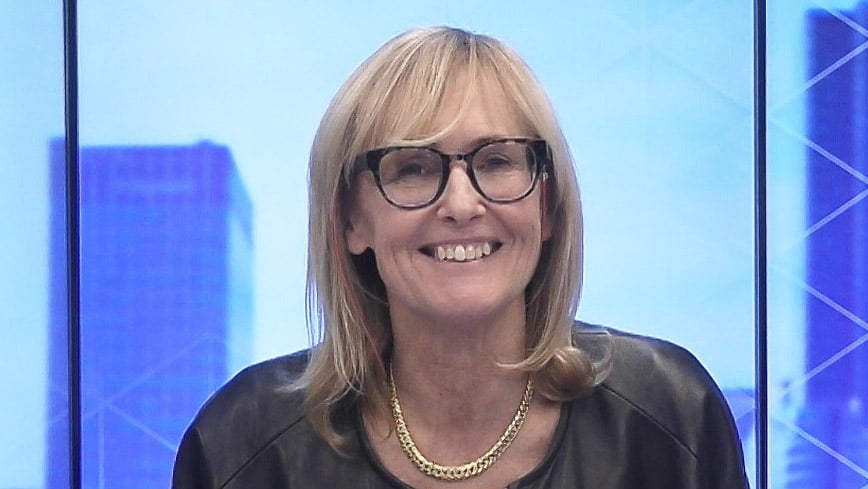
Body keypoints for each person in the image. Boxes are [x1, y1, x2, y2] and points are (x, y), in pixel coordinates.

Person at [172, 26, 749, 488]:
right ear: (350, 220)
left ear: (547, 206)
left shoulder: (669, 417)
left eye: (496, 161)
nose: (461, 204)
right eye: (413, 168)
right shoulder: (243, 446)